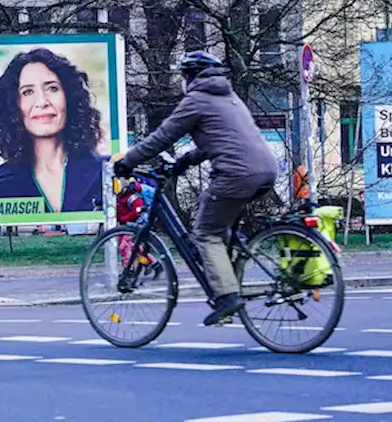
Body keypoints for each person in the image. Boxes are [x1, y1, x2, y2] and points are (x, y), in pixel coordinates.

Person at [114, 50, 279, 326]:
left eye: (182, 75)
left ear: (190, 76)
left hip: (236, 174)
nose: (182, 80)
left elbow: (163, 136)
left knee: (205, 233)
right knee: (216, 218)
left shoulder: (197, 99)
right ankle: (227, 275)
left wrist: (127, 162)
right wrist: (184, 161)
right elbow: (220, 141)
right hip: (266, 169)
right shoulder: (229, 97)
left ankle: (227, 296)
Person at [0, 48, 107, 213]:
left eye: (52, 88)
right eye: (28, 92)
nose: (42, 102)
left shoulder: (106, 171)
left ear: (69, 97)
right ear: (13, 105)